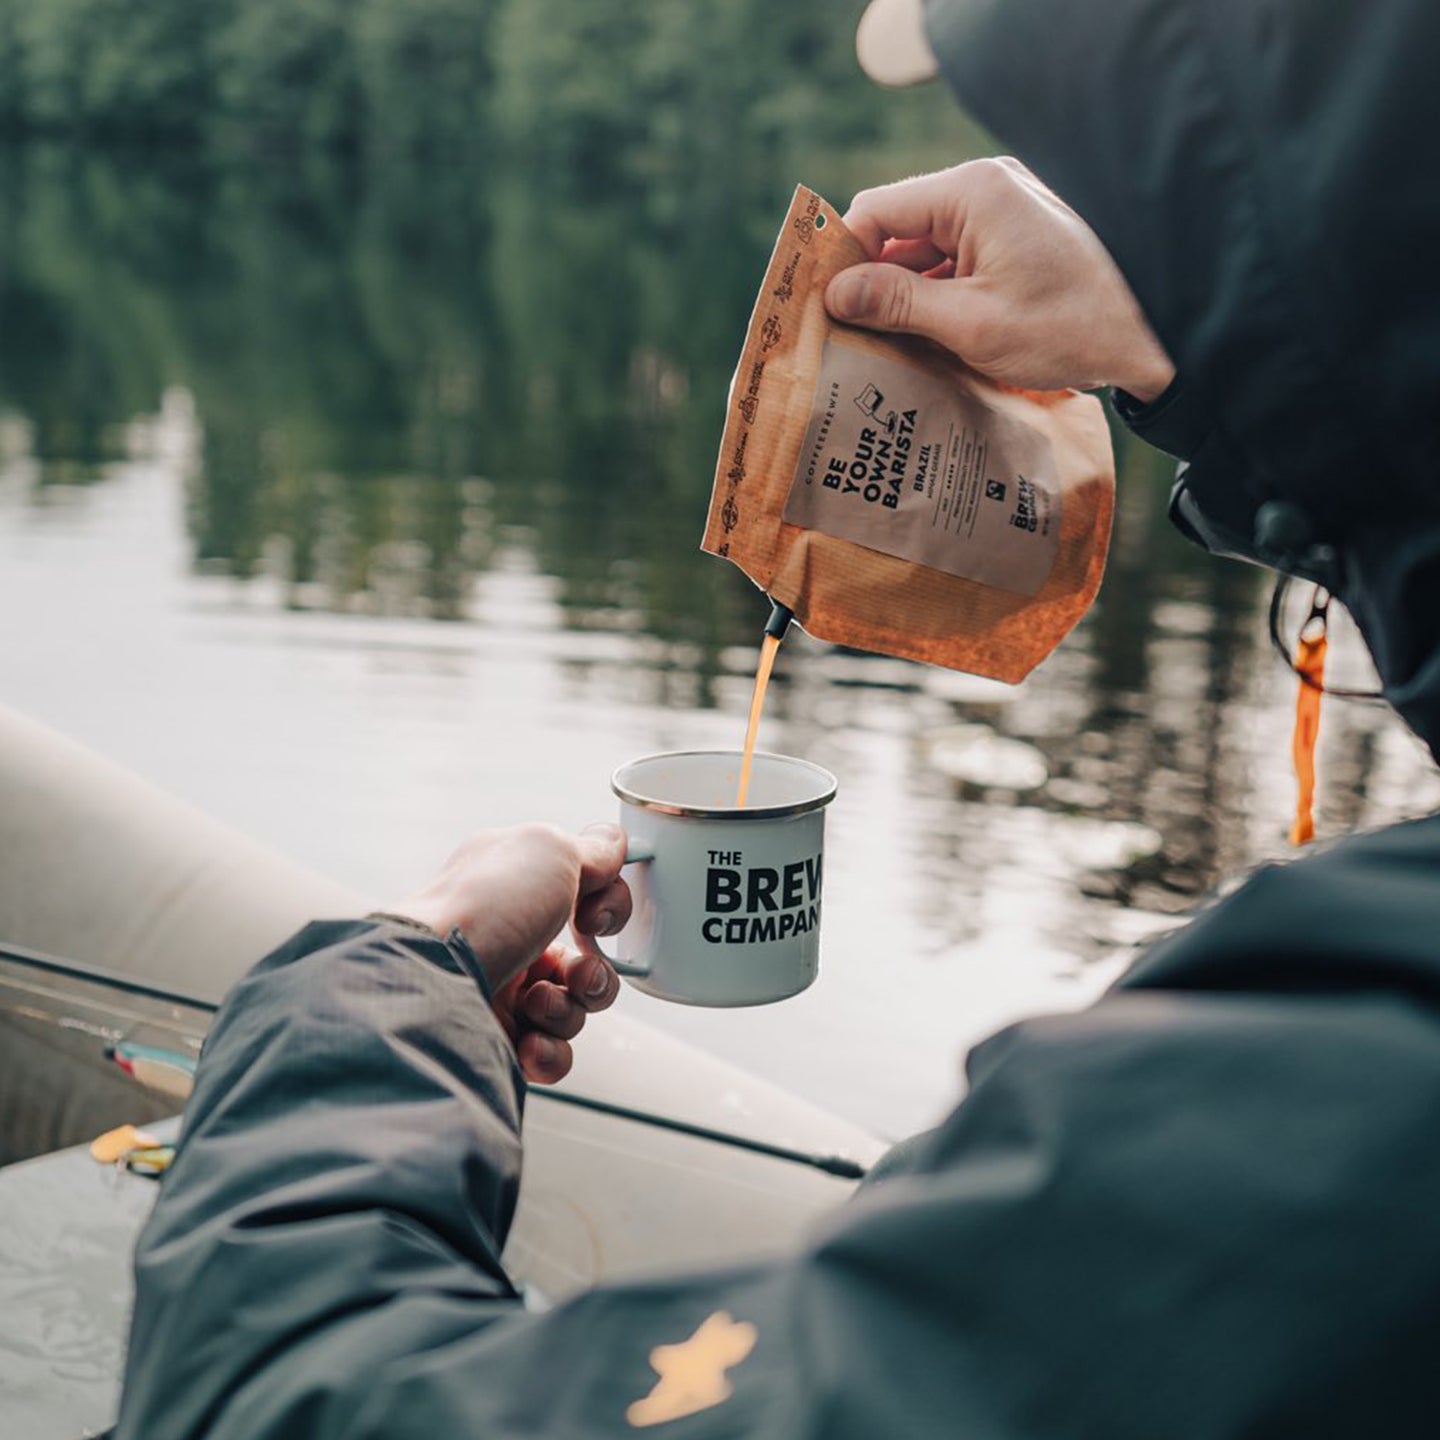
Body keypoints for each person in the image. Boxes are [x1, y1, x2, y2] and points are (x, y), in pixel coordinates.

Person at [114, 0, 1440, 1435]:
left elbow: (276, 1400)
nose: (1096, 187)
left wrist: (396, 973)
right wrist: (1189, 336)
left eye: (1140, 172)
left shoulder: (1345, 1099)